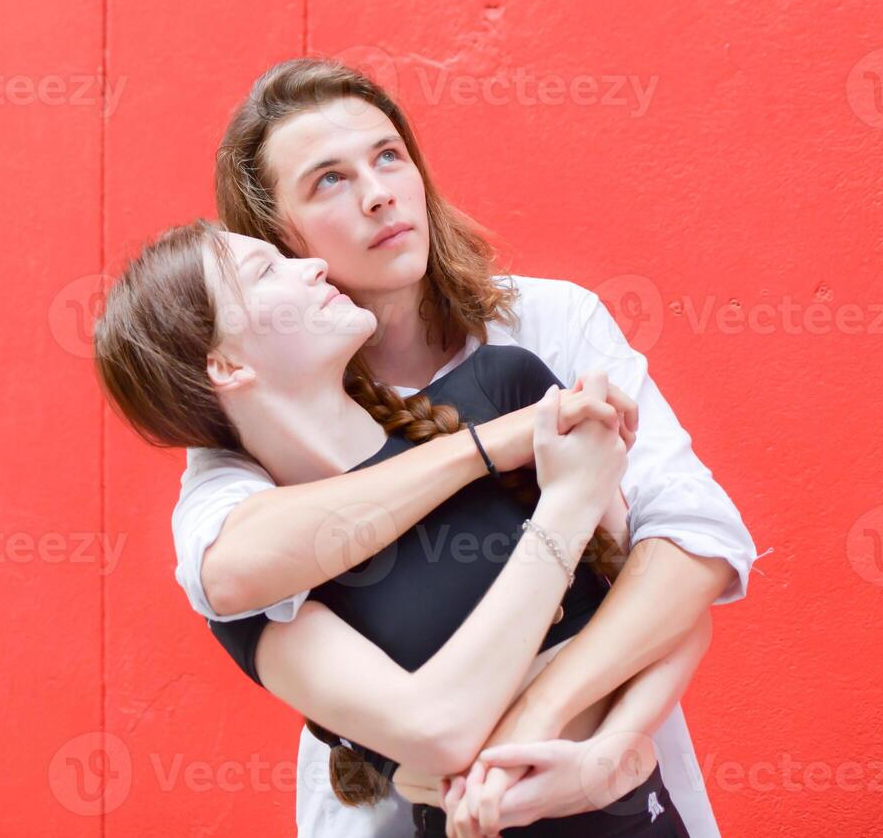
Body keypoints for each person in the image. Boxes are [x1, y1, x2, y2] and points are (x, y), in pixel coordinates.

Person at [172, 58, 757, 835]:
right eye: (329, 181)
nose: (379, 191)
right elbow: (225, 574)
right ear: (284, 243)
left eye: (388, 156)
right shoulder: (255, 438)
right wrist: (494, 447)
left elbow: (694, 543)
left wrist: (542, 731)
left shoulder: (542, 329)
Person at [98, 220, 705, 835]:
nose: (312, 267)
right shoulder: (269, 572)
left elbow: (668, 607)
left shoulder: (501, 388)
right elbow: (440, 728)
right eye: (265, 271)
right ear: (226, 365)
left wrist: (611, 755)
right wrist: (566, 508)